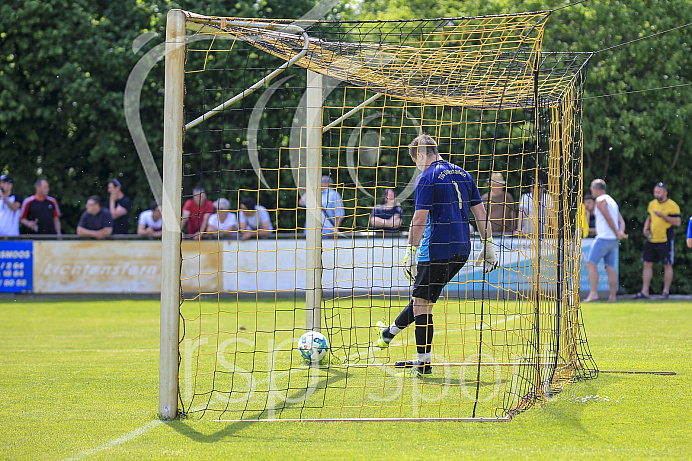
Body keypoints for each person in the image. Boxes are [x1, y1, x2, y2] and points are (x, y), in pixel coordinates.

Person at [373, 134, 498, 378]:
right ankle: (389, 334)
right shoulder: (463, 174)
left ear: (420, 155)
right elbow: (480, 214)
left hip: (436, 250)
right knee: (423, 299)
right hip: (461, 248)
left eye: (415, 160)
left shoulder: (426, 177)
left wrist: (410, 250)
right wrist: (489, 244)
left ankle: (423, 363)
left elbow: (419, 219)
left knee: (421, 303)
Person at [633, 182, 681, 300]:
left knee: (667, 264)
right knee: (647, 263)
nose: (656, 194)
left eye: (659, 192)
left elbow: (678, 222)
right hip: (652, 239)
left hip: (665, 239)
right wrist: (645, 228)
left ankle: (665, 292)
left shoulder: (672, 205)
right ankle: (645, 291)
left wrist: (663, 216)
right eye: (655, 192)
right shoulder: (652, 204)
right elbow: (649, 218)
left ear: (665, 193)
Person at [582, 180, 628, 303]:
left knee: (590, 263)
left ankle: (593, 294)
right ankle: (612, 297)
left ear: (596, 189)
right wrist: (620, 233)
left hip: (604, 237)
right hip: (613, 240)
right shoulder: (612, 201)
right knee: (610, 267)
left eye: (592, 189)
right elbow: (621, 220)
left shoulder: (600, 200)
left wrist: (616, 232)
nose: (592, 192)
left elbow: (608, 218)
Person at [480, 172, 516, 236]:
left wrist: (512, 228)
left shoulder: (507, 197)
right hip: (490, 233)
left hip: (506, 233)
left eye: (501, 185)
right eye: (498, 185)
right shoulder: (485, 198)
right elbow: (481, 216)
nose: (500, 187)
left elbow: (512, 213)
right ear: (492, 185)